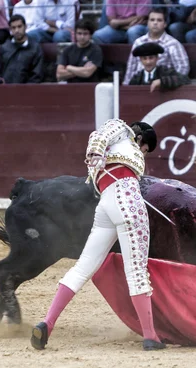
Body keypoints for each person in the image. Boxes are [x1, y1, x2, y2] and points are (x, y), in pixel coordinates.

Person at [31, 119, 166, 352]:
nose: (143, 154)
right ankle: (150, 336)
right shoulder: (123, 131)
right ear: (141, 140)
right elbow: (99, 134)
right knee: (136, 272)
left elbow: (100, 143)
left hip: (106, 205)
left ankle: (48, 323)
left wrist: (98, 156)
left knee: (82, 268)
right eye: (145, 150)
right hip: (127, 203)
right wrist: (95, 153)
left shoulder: (114, 150)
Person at [0, 14, 43, 83]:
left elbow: (37, 74)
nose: (17, 30)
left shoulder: (35, 48)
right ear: (10, 30)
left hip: (28, 91)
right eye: (13, 28)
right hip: (5, 89)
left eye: (19, 26)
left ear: (25, 27)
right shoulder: (5, 47)